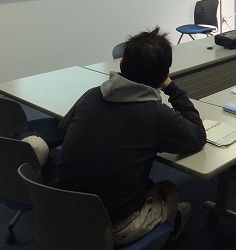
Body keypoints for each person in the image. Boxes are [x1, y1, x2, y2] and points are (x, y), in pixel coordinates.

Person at [54, 27, 206, 247]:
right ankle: (166, 231)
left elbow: (63, 130)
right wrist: (172, 88)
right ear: (163, 76)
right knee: (170, 190)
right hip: (112, 228)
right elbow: (197, 136)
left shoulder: (91, 95)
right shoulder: (156, 114)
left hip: (60, 211)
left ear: (122, 64)